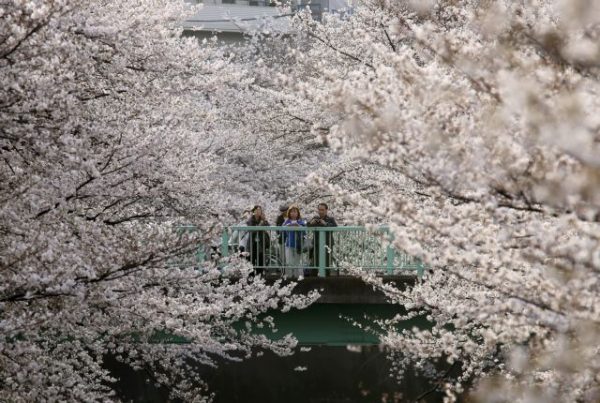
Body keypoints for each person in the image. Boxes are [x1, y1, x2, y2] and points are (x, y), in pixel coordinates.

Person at [307, 203, 337, 275]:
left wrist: (325, 224)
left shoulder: (330, 219)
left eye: (322, 210)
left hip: (328, 243)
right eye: (319, 210)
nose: (321, 211)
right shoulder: (315, 218)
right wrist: (311, 223)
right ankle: (313, 279)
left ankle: (326, 278)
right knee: (314, 262)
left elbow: (335, 227)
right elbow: (307, 226)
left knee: (326, 262)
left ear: (326, 210)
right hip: (316, 244)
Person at [282, 205, 306, 278]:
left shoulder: (300, 221)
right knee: (289, 261)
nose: (293, 213)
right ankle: (289, 277)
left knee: (297, 262)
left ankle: (298, 277)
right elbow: (282, 229)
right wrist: (288, 226)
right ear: (289, 213)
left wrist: (298, 226)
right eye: (291, 212)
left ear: (298, 213)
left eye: (295, 212)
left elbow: (304, 231)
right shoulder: (287, 221)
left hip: (298, 244)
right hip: (289, 244)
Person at [246, 205, 271, 274]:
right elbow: (252, 230)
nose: (258, 211)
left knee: (261, 260)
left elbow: (268, 226)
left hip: (261, 242)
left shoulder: (262, 220)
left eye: (260, 210)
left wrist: (264, 220)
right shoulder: (251, 220)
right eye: (256, 210)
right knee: (251, 260)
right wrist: (260, 226)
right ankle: (251, 276)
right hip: (252, 242)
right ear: (253, 211)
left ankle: (260, 276)